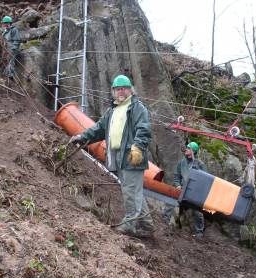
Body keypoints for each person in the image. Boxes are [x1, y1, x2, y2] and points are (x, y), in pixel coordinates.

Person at [70, 75, 154, 237]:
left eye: (124, 88)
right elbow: (99, 129)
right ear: (113, 92)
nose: (121, 91)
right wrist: (82, 137)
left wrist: (137, 147)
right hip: (117, 156)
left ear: (130, 90)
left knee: (130, 190)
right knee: (132, 190)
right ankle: (147, 226)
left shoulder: (137, 108)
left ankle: (129, 224)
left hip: (132, 155)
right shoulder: (112, 111)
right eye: (117, 89)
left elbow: (143, 129)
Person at [164, 141, 207, 240]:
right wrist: (178, 185)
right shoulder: (181, 163)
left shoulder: (200, 164)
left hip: (194, 193)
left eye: (188, 148)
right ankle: (164, 222)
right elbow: (176, 176)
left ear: (193, 151)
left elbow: (205, 181)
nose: (186, 149)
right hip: (182, 190)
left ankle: (199, 232)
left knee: (198, 211)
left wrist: (197, 191)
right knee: (170, 202)